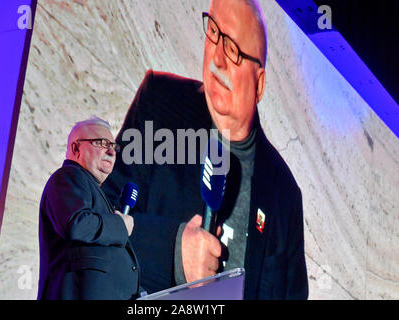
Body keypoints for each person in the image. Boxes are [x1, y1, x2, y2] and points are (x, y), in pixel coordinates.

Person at [102, 0, 308, 299]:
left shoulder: (284, 195)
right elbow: (91, 222)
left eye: (234, 49)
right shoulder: (161, 105)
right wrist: (172, 249)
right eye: (214, 32)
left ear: (259, 84)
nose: (218, 59)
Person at [37, 117, 140, 300]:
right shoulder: (67, 177)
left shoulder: (92, 190)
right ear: (76, 149)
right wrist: (120, 225)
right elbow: (78, 224)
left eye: (114, 146)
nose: (111, 151)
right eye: (101, 143)